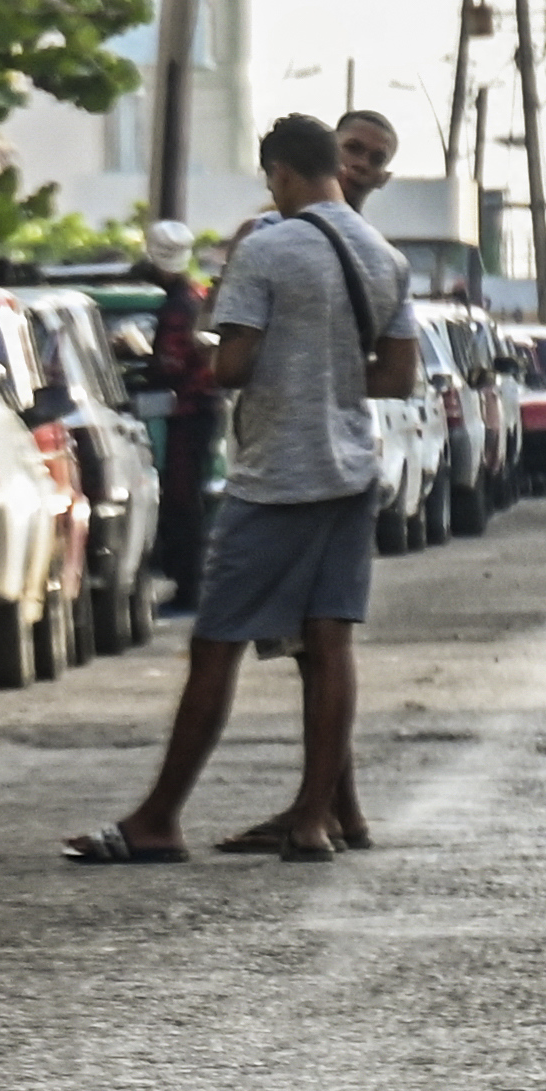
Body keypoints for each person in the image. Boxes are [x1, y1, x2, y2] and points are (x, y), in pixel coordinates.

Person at [68, 115, 404, 865]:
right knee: (329, 642)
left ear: (279, 172)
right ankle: (319, 818)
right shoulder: (383, 256)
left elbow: (230, 366)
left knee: (216, 645)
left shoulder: (264, 244)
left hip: (276, 475)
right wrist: (331, 375)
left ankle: (159, 818)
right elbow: (398, 374)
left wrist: (254, 355)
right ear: (336, 162)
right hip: (351, 470)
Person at [140, 221, 217, 612]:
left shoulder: (179, 305)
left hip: (189, 412)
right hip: (197, 409)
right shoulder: (193, 297)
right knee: (186, 500)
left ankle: (191, 587)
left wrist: (144, 362)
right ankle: (188, 582)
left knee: (184, 501)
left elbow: (170, 364)